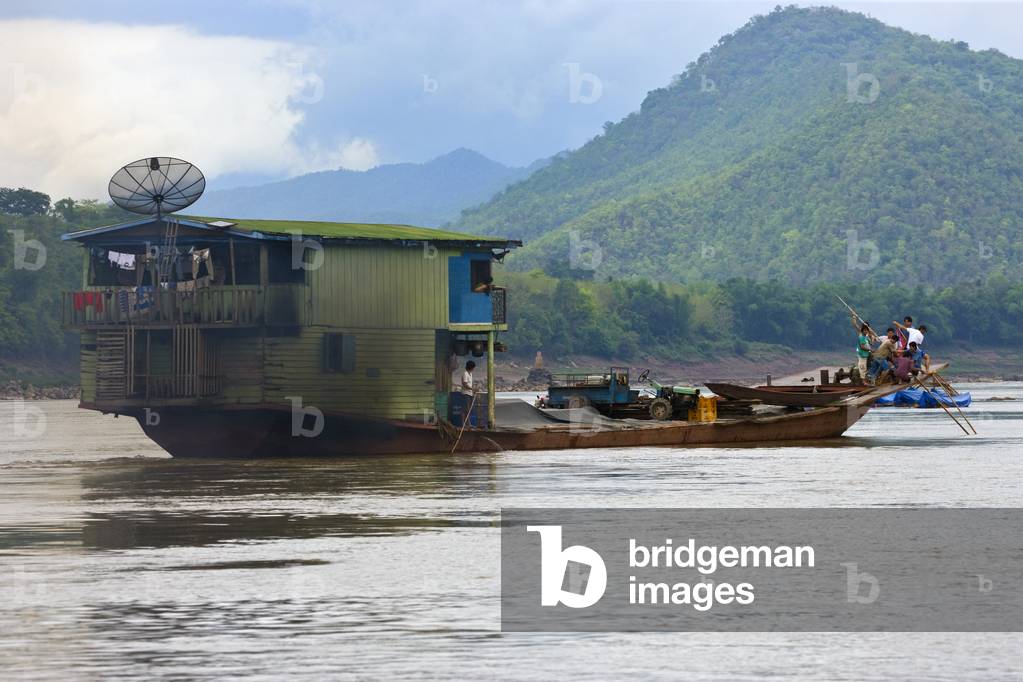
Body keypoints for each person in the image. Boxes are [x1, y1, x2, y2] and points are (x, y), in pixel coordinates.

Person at [851, 314, 873, 383]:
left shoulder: (869, 334)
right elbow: (854, 324)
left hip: (868, 352)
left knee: (869, 365)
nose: (866, 330)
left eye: (867, 327)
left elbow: (872, 342)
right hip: (862, 352)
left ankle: (867, 377)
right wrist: (854, 317)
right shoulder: (861, 333)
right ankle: (863, 379)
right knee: (862, 365)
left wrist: (872, 337)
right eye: (864, 327)